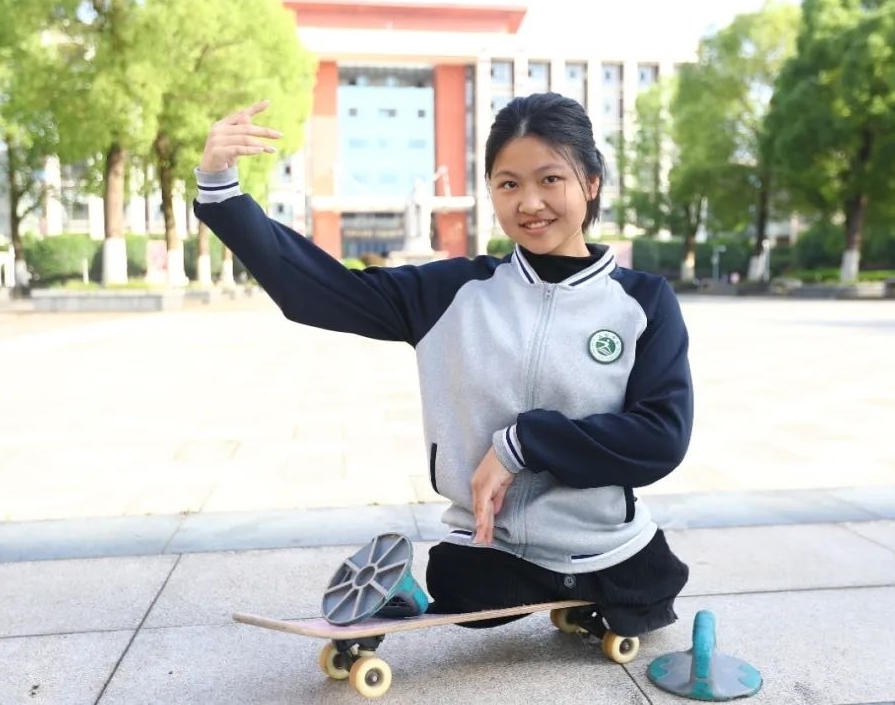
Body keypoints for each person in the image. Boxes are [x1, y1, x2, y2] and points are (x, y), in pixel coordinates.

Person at [193, 92, 693, 638]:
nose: (530, 203)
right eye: (508, 184)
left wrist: (522, 444)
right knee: (461, 589)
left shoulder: (642, 301)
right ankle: (406, 593)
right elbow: (318, 291)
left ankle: (597, 594)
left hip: (606, 547)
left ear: (591, 183)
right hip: (490, 545)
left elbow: (662, 436)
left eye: (550, 179)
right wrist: (221, 192)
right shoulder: (451, 291)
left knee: (653, 595)